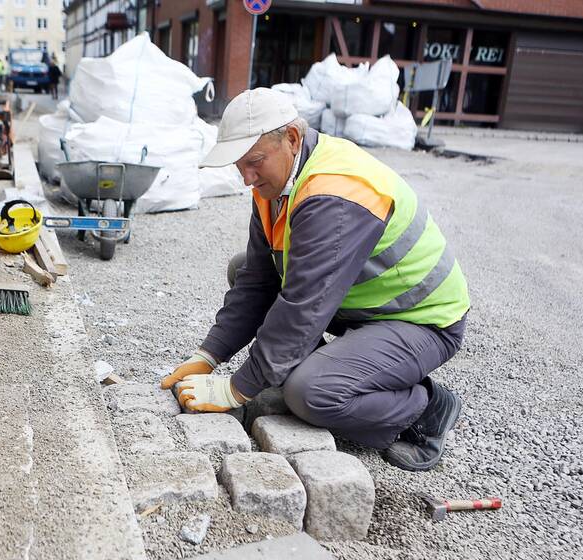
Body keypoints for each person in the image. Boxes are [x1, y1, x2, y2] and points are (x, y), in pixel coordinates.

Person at [162, 88, 470, 472]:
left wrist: (236, 388)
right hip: (360, 306)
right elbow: (258, 280)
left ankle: (425, 408)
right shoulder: (276, 183)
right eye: (239, 165)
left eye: (254, 162)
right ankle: (329, 364)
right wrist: (208, 355)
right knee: (243, 267)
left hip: (421, 320)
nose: (246, 178)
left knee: (310, 392)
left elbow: (304, 306)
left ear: (291, 138)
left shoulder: (335, 193)